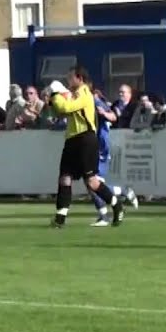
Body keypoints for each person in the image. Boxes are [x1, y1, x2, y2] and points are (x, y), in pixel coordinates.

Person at [46, 66, 124, 227]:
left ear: (79, 78)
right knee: (64, 177)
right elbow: (61, 112)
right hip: (72, 139)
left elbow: (66, 107)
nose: (68, 81)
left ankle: (117, 205)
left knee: (92, 182)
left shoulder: (84, 93)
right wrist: (52, 102)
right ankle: (60, 218)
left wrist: (55, 94)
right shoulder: (73, 95)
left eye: (70, 78)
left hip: (85, 139)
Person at [90, 90, 139, 226]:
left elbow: (113, 117)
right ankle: (104, 215)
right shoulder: (93, 103)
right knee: (92, 184)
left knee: (94, 183)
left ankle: (120, 194)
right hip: (93, 146)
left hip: (100, 147)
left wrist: (104, 113)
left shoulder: (96, 103)